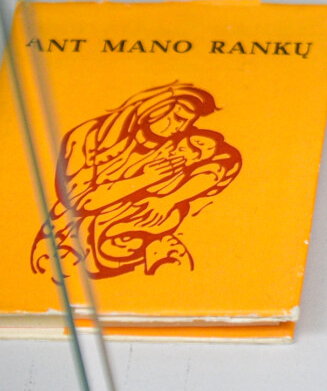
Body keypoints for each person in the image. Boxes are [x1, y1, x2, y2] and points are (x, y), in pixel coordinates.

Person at [31, 82, 242, 279]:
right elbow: (76, 200)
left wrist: (170, 199)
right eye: (178, 118)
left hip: (135, 232)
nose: (181, 128)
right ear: (153, 108)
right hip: (70, 233)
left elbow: (227, 160)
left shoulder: (182, 141)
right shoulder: (87, 137)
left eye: (189, 122)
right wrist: (145, 179)